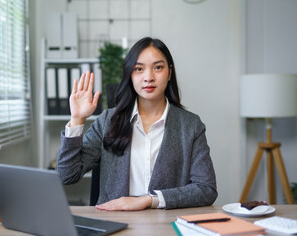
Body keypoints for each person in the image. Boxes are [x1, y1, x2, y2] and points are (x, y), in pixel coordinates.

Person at [57, 37, 217, 211]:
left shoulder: (190, 125)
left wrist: (150, 200)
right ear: (130, 75)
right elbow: (67, 175)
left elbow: (206, 189)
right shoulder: (107, 121)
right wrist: (77, 120)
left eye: (158, 68)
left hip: (164, 224)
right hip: (115, 221)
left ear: (169, 73)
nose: (148, 77)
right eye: (139, 69)